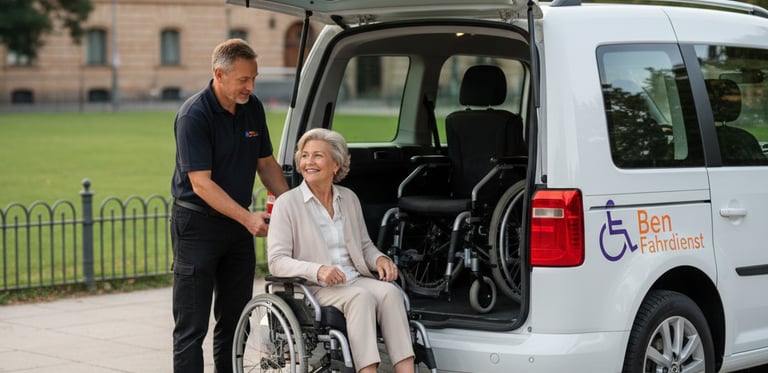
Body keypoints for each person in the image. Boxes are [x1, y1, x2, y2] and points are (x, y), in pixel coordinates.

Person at [169, 38, 289, 373]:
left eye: (254, 78)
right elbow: (201, 184)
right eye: (243, 80)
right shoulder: (194, 115)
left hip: (237, 227)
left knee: (236, 322)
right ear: (219, 75)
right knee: (191, 328)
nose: (250, 87)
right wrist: (249, 220)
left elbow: (266, 165)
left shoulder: (253, 108)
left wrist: (296, 204)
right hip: (197, 227)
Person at [268, 128, 416, 373]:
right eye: (304, 156)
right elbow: (276, 261)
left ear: (336, 164)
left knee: (391, 293)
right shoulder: (288, 203)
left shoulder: (348, 198)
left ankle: (406, 369)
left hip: (353, 279)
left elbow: (364, 245)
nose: (308, 162)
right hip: (315, 288)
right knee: (361, 298)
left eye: (317, 156)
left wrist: (379, 258)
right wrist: (318, 270)